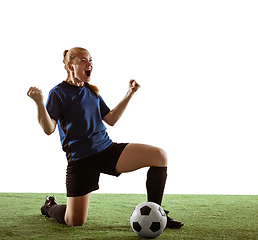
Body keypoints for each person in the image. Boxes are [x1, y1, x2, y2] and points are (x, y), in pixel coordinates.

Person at [27, 47, 183, 228]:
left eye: (91, 60)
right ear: (70, 66)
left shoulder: (91, 91)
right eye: (83, 60)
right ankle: (50, 207)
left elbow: (111, 119)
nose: (89, 64)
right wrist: (39, 102)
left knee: (159, 156)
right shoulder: (58, 93)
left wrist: (130, 93)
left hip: (107, 150)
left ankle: (159, 214)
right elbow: (49, 128)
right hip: (81, 160)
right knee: (74, 221)